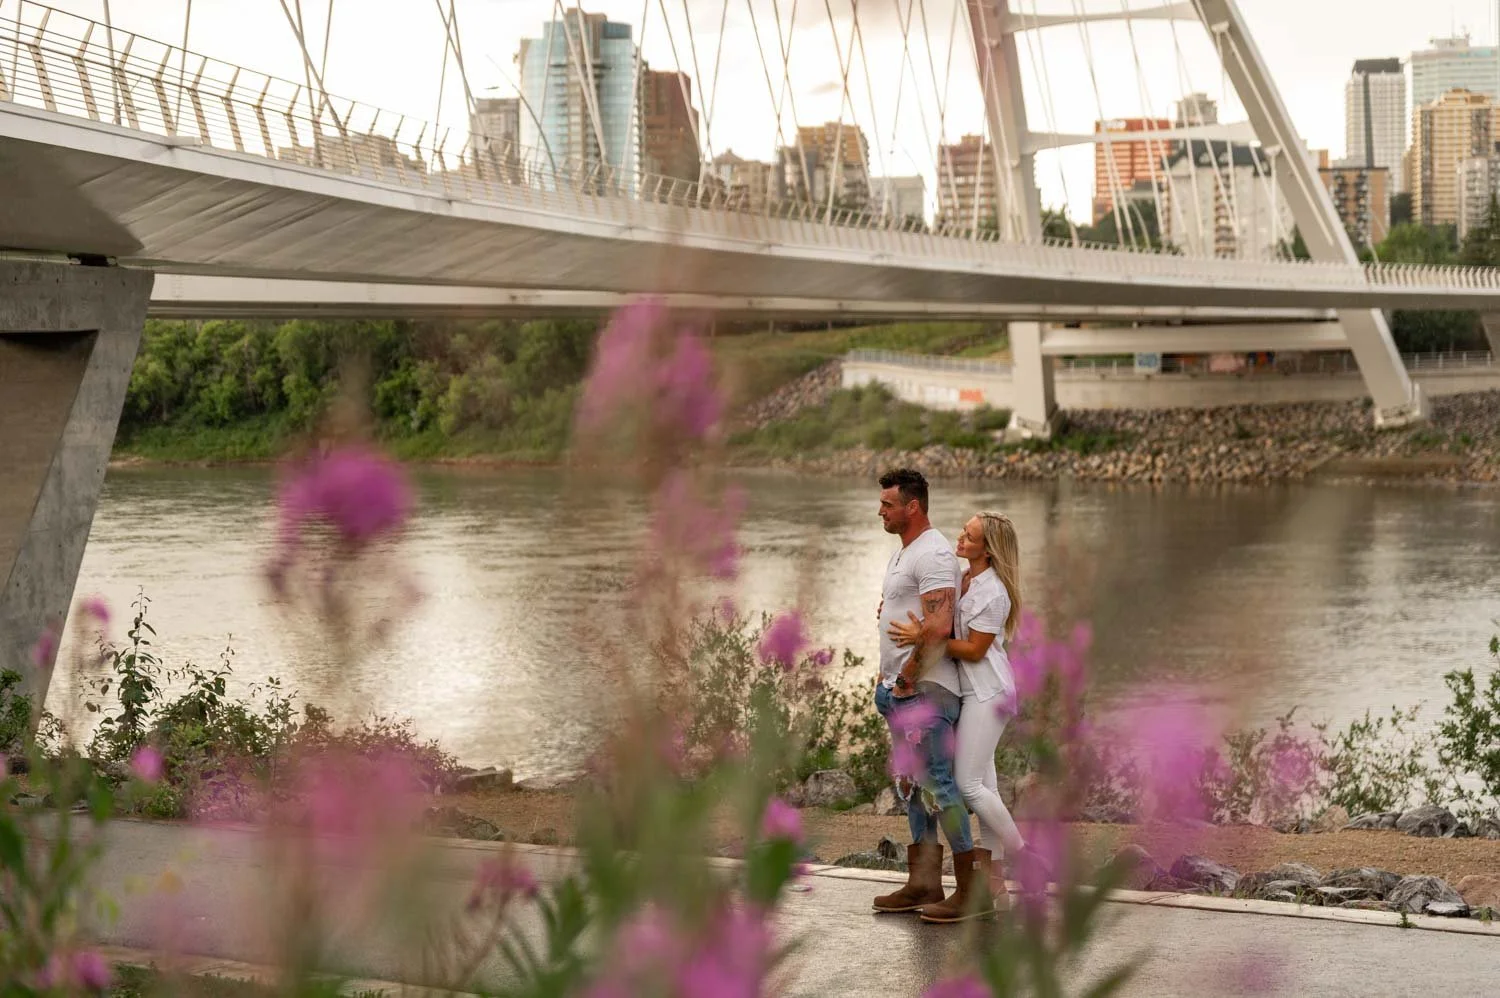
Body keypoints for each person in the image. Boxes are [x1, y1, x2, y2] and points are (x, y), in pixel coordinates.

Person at [890, 510, 1027, 923]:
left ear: (988, 549)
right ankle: (995, 881)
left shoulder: (994, 593)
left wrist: (927, 638)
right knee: (986, 786)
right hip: (971, 693)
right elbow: (936, 608)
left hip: (989, 693)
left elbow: (974, 650)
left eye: (969, 537)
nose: (960, 539)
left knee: (969, 787)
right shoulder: (965, 578)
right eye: (963, 532)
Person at [868, 468, 975, 916]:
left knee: (940, 786)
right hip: (904, 690)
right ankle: (924, 884)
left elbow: (938, 626)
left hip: (926, 691)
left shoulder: (931, 553)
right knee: (914, 788)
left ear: (912, 507)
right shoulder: (907, 552)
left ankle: (973, 891)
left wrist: (908, 681)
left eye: (888, 504)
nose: (881, 511)